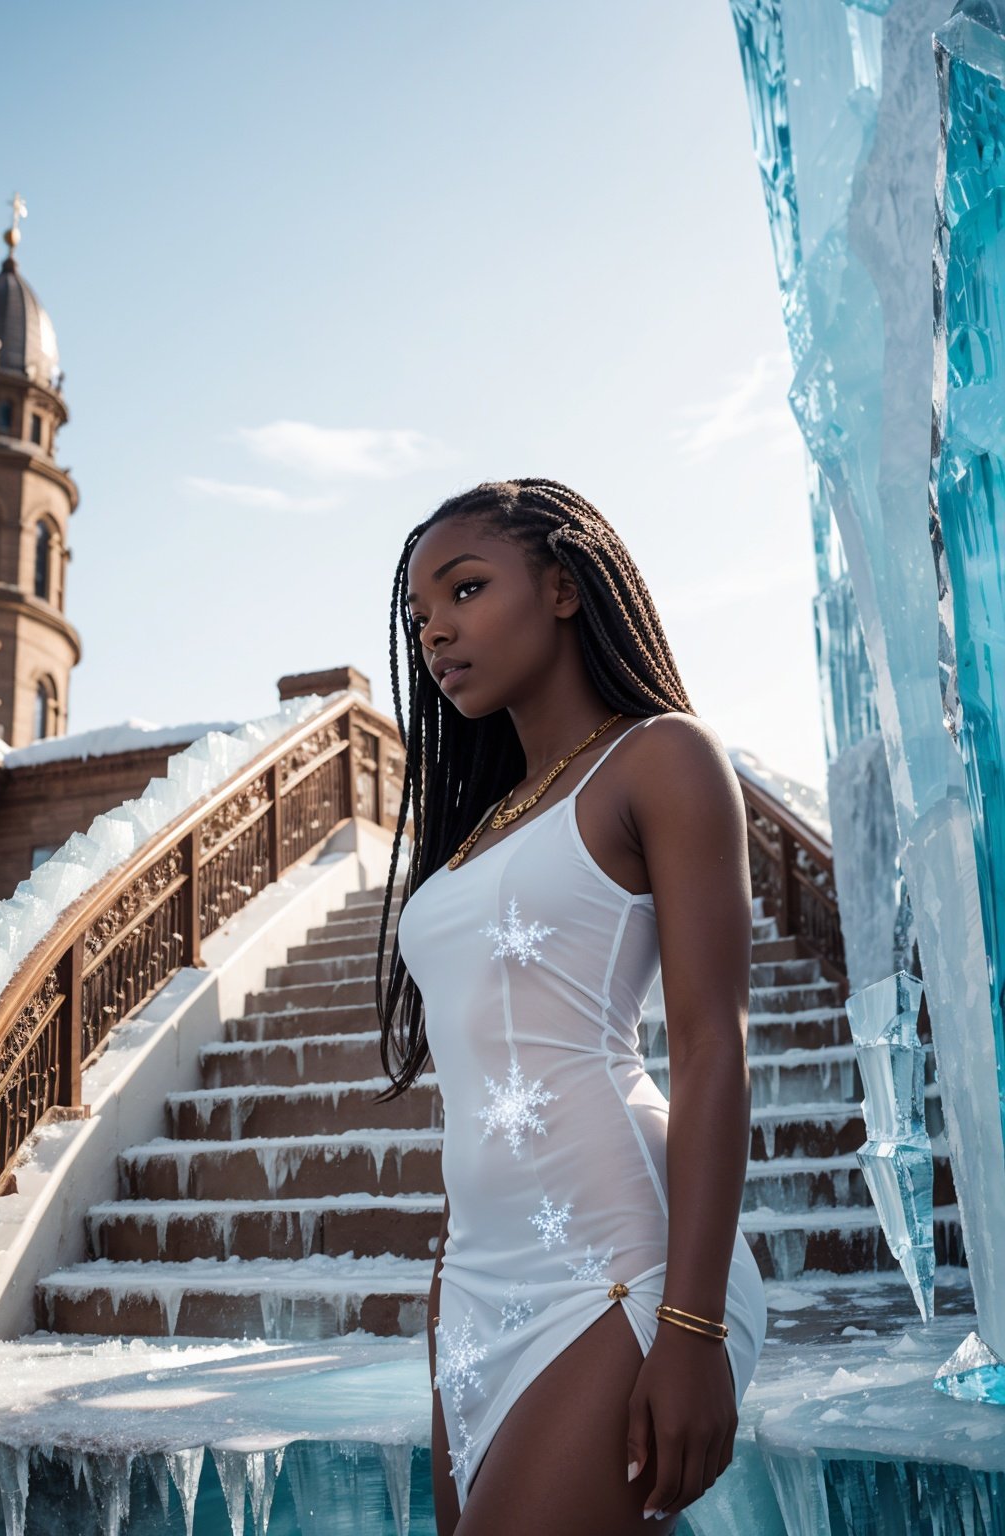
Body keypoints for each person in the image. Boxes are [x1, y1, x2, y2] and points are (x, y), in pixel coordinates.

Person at [373, 479, 767, 1534]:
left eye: (464, 589)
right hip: (475, 1281)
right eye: (419, 617)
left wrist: (691, 1327)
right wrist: (446, 1289)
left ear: (560, 587)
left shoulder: (662, 758)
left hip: (621, 1259)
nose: (435, 631)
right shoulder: (481, 824)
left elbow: (711, 1049)